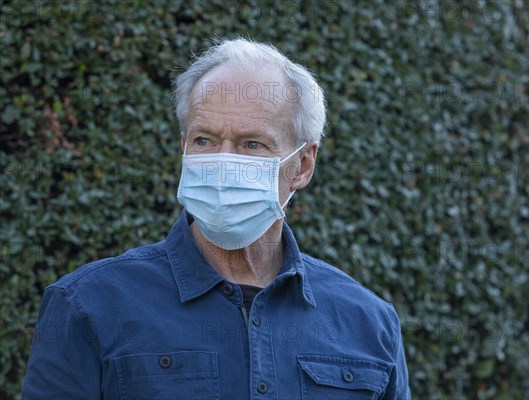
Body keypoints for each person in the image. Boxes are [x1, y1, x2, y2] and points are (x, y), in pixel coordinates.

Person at [22, 38, 411, 399]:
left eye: (251, 144)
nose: (223, 163)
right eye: (204, 140)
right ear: (184, 149)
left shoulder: (367, 322)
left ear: (303, 165)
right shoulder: (88, 306)